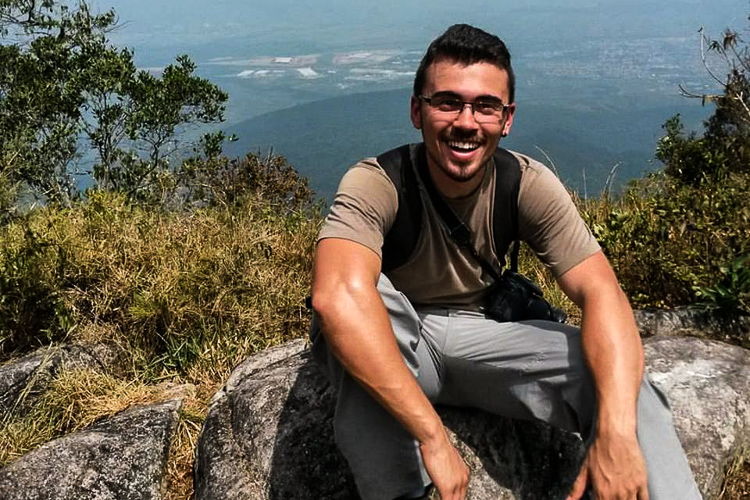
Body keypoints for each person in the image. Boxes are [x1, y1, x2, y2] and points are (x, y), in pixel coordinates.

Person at [309, 23, 701, 500]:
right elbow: (336, 297)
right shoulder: (379, 182)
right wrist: (433, 436)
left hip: (483, 339)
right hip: (400, 343)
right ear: (417, 110)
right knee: (363, 307)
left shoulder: (525, 183)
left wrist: (616, 430)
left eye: (485, 106)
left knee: (622, 381)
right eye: (447, 102)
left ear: (507, 117)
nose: (466, 122)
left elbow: (602, 292)